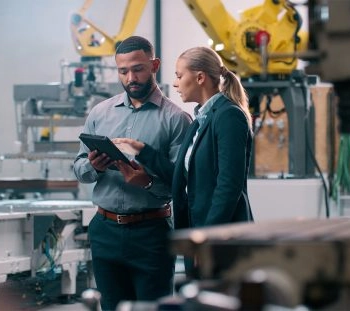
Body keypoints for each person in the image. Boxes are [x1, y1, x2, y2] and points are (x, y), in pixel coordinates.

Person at [73, 36, 192, 310]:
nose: (130, 78)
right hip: (105, 230)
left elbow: (181, 185)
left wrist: (147, 182)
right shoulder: (100, 113)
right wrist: (94, 165)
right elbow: (79, 168)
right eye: (123, 71)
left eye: (137, 69)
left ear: (154, 65)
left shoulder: (176, 120)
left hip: (151, 234)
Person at [114, 46, 254, 277]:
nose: (176, 84)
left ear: (200, 78)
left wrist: (206, 239)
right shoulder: (201, 118)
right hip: (198, 232)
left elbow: (229, 186)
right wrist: (142, 151)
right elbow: (183, 176)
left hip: (220, 236)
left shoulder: (228, 116)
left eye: (179, 76)